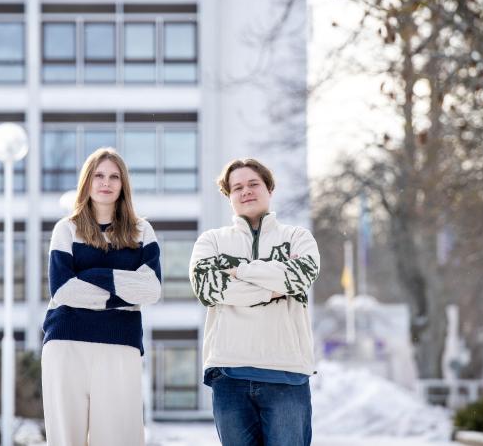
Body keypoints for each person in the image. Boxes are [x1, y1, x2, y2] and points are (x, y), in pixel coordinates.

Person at [189, 158, 320, 446]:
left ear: (269, 189)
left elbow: (301, 277)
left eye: (253, 184)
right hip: (229, 373)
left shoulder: (297, 237)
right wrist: (273, 287)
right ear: (229, 196)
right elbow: (207, 287)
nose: (246, 191)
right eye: (237, 187)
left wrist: (241, 270)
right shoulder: (211, 241)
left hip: (287, 373)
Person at [41, 147, 161, 446]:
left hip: (121, 343)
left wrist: (96, 276)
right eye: (98, 175)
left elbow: (151, 289)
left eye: (114, 176)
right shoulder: (66, 229)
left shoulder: (141, 231)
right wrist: (122, 291)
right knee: (66, 439)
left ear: (123, 185)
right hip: (67, 342)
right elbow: (63, 289)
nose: (106, 182)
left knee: (120, 438)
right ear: (87, 181)